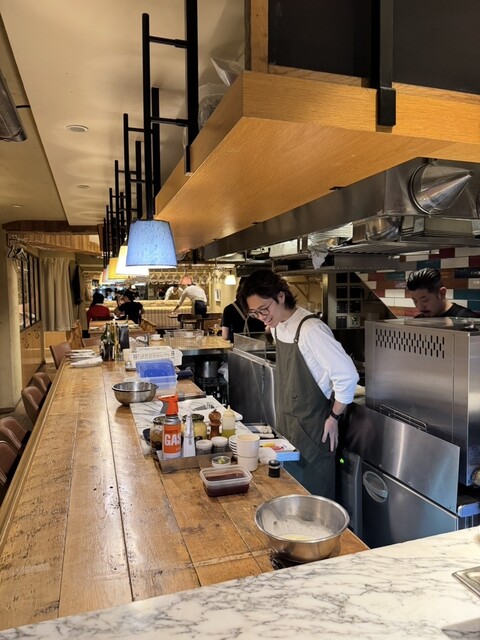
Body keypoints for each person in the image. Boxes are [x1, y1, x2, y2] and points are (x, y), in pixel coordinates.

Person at [241, 269, 359, 499]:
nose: (262, 317)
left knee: (313, 500)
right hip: (287, 427)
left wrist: (334, 417)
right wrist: (268, 320)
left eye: (264, 309)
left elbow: (347, 376)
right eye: (255, 313)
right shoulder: (278, 325)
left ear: (281, 296)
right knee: (290, 496)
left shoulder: (311, 330)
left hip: (313, 432)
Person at [406, 268, 477, 318]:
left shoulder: (467, 319)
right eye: (415, 301)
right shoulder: (419, 320)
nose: (420, 307)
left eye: (425, 300)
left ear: (442, 293)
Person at [221, 278, 265, 342]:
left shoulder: (229, 309)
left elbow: (225, 336)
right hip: (259, 344)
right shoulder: (261, 306)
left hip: (239, 345)